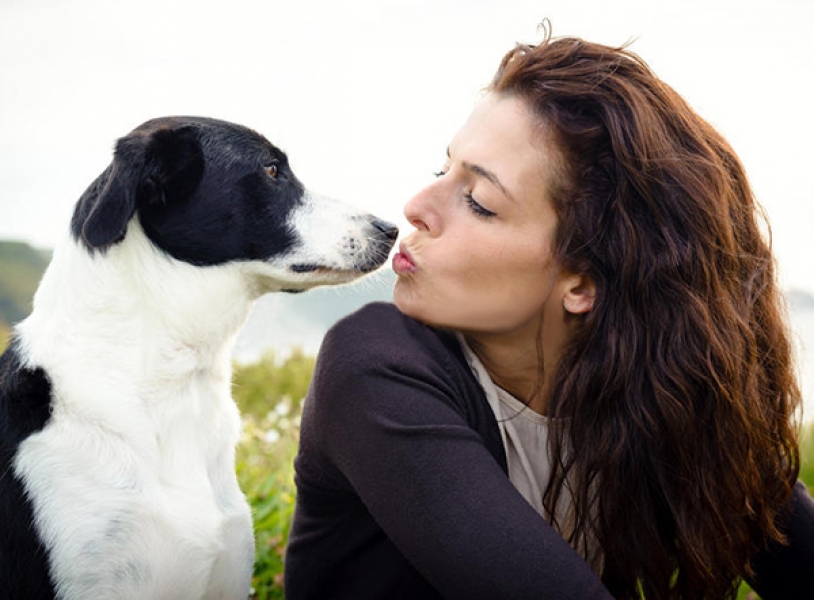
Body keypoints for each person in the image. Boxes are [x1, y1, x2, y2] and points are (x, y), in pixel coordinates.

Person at [284, 28, 814, 600]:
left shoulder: (667, 400)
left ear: (582, 283)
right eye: (444, 171)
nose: (415, 208)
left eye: (479, 203)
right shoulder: (377, 368)